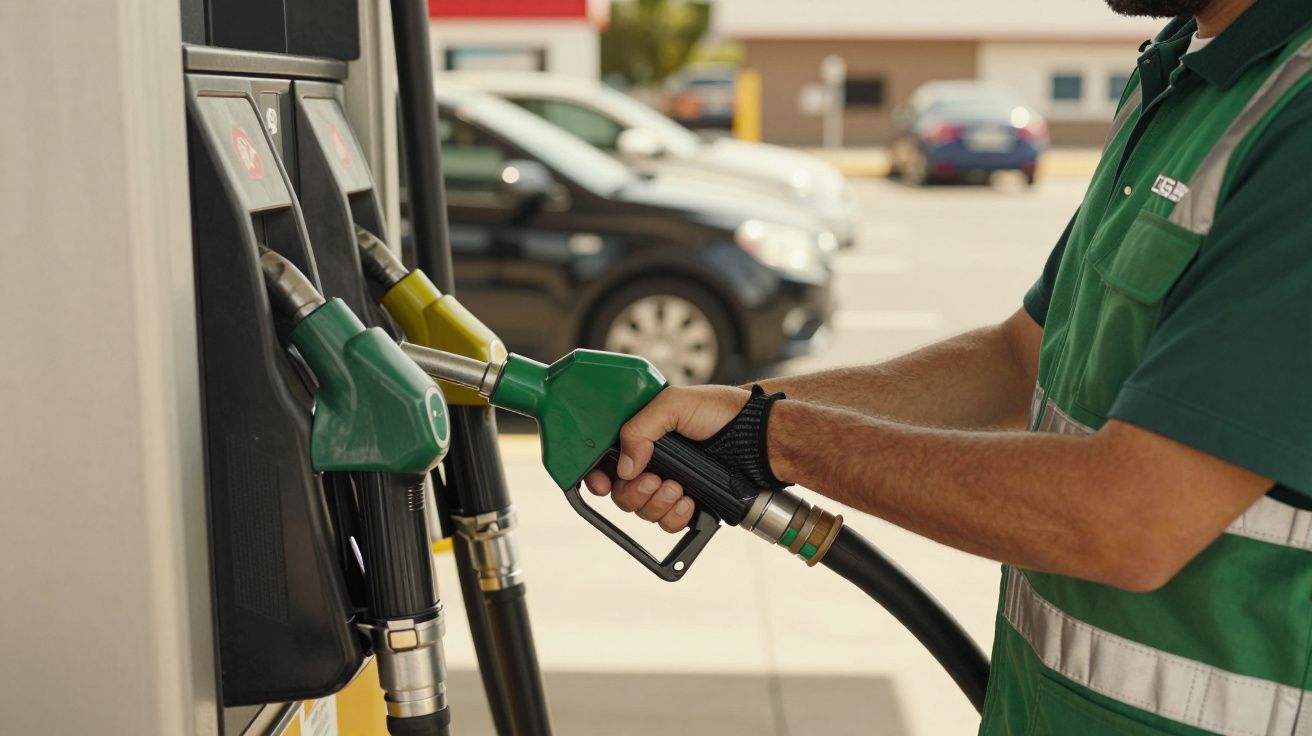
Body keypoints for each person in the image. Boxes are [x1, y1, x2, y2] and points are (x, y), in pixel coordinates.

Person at [584, 0, 1312, 732]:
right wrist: (733, 414)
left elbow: (1130, 521)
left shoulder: (1298, 116)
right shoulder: (1181, 74)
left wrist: (777, 439)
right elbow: (1015, 357)